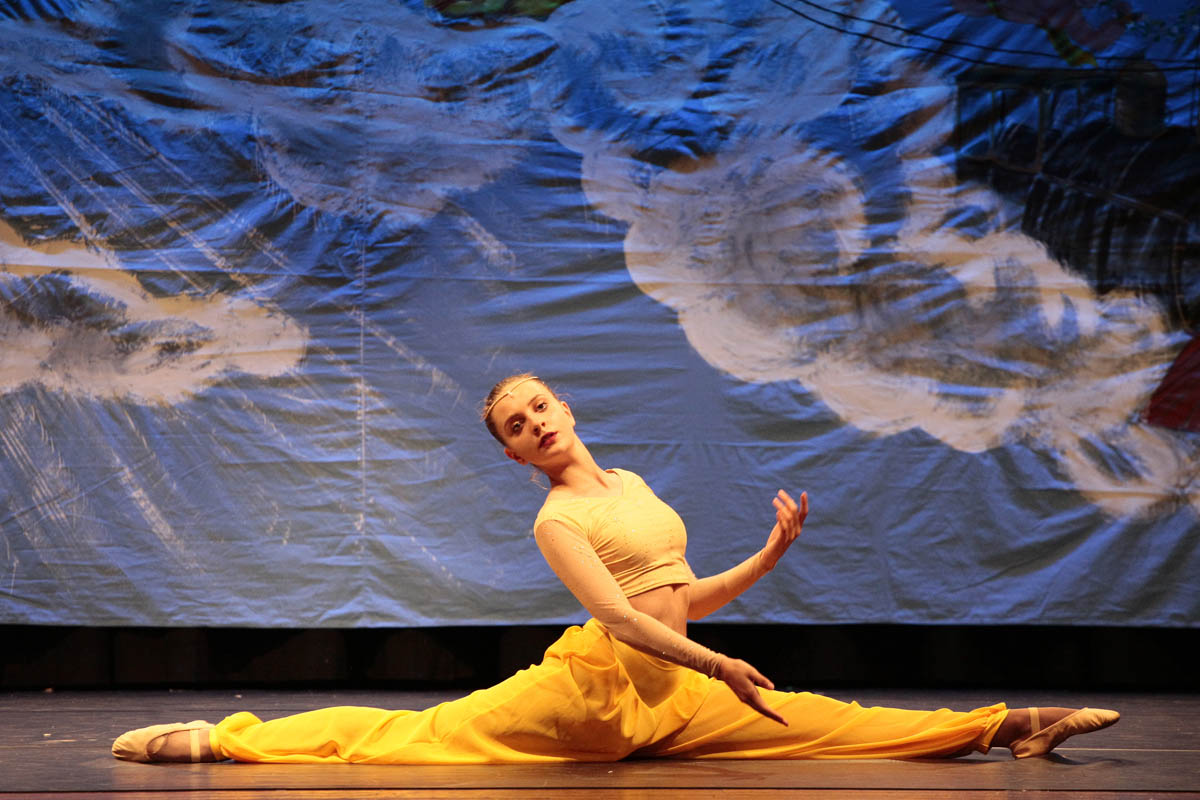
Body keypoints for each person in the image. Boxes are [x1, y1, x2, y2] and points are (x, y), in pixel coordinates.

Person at [112, 373, 1119, 764]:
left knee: (835, 723)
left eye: (538, 406)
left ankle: (1010, 725)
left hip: (677, 693)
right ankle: (221, 738)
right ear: (515, 454)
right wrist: (719, 664)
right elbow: (628, 620)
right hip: (594, 694)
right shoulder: (558, 519)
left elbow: (680, 599)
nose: (534, 423)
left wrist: (770, 552)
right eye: (516, 426)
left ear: (565, 407)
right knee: (409, 736)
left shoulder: (629, 483)